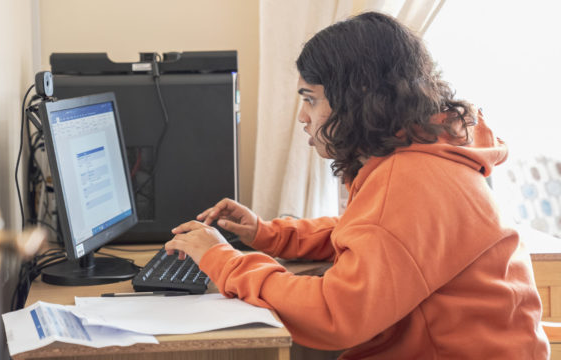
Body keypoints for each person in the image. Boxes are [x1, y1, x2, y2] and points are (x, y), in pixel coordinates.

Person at [164, 11, 549, 359]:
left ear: (358, 97)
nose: (303, 117)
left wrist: (221, 260)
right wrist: (266, 234)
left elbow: (335, 315)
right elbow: (373, 233)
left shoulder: (412, 179)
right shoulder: (426, 154)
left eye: (311, 99)